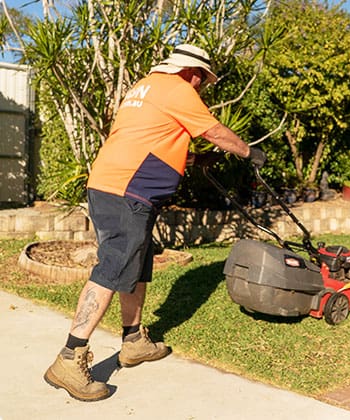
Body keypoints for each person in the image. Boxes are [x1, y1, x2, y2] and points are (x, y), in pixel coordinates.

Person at [44, 44, 266, 402]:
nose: (202, 88)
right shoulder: (179, 88)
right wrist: (248, 151)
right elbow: (214, 130)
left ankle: (132, 341)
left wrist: (193, 159)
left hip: (116, 185)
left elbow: (151, 139)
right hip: (126, 191)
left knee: (137, 262)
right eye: (203, 81)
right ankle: (70, 356)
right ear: (193, 73)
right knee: (113, 266)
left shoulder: (145, 87)